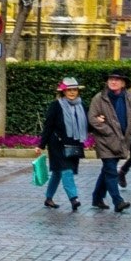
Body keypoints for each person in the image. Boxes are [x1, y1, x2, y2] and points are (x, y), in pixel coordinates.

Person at [41, 77, 88, 212]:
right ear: (63, 92)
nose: (72, 93)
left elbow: (87, 125)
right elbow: (48, 126)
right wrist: (41, 145)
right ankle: (74, 198)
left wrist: (99, 121)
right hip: (57, 144)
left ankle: (48, 198)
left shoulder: (82, 106)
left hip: (74, 144)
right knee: (66, 171)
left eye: (75, 90)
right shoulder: (56, 105)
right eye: (69, 90)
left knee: (57, 173)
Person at [89, 70, 131, 212]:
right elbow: (92, 119)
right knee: (111, 171)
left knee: (107, 171)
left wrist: (130, 132)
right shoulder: (99, 98)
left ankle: (97, 197)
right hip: (105, 141)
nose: (113, 82)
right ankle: (117, 201)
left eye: (117, 80)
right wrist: (108, 131)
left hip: (121, 140)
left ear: (123, 83)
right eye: (111, 79)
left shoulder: (129, 98)